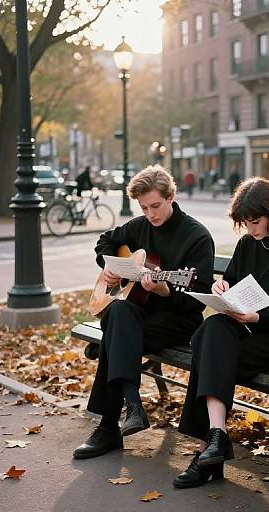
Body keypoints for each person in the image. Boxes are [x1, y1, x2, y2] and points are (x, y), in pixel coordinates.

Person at [174, 177, 269, 489]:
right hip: (242, 332)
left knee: (206, 347)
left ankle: (207, 452)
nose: (251, 230)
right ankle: (216, 436)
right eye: (246, 223)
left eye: (256, 221)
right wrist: (220, 288)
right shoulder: (246, 244)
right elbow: (233, 283)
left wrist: (257, 316)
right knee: (211, 329)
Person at [73, 165, 215, 460]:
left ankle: (110, 425)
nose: (151, 214)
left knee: (116, 327)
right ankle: (133, 404)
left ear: (171, 196)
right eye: (144, 207)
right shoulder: (138, 227)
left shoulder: (197, 237)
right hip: (138, 314)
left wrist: (164, 290)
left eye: (156, 205)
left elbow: (197, 300)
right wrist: (110, 267)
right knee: (119, 313)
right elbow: (106, 241)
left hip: (178, 320)